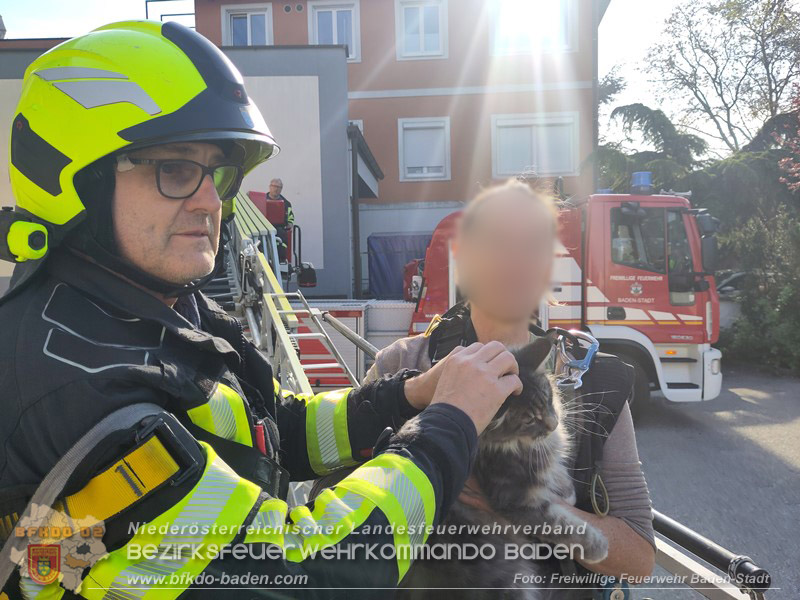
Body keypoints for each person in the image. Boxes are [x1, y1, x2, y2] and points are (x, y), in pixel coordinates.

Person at [0, 21, 523, 598]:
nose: (212, 200)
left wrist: (407, 396)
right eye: (175, 169)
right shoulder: (80, 388)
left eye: (219, 173)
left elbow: (275, 425)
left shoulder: (151, 308)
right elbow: (315, 574)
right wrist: (448, 423)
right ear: (81, 181)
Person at [364, 179, 657, 584]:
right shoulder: (404, 364)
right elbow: (341, 504)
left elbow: (639, 558)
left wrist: (521, 505)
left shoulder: (597, 381)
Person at [267, 177, 294, 262]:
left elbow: (290, 218)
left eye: (278, 187)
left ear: (281, 189)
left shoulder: (286, 203)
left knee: (282, 237)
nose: (276, 189)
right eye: (274, 186)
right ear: (270, 187)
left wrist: (290, 224)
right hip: (264, 228)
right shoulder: (261, 200)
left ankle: (281, 258)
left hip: (280, 229)